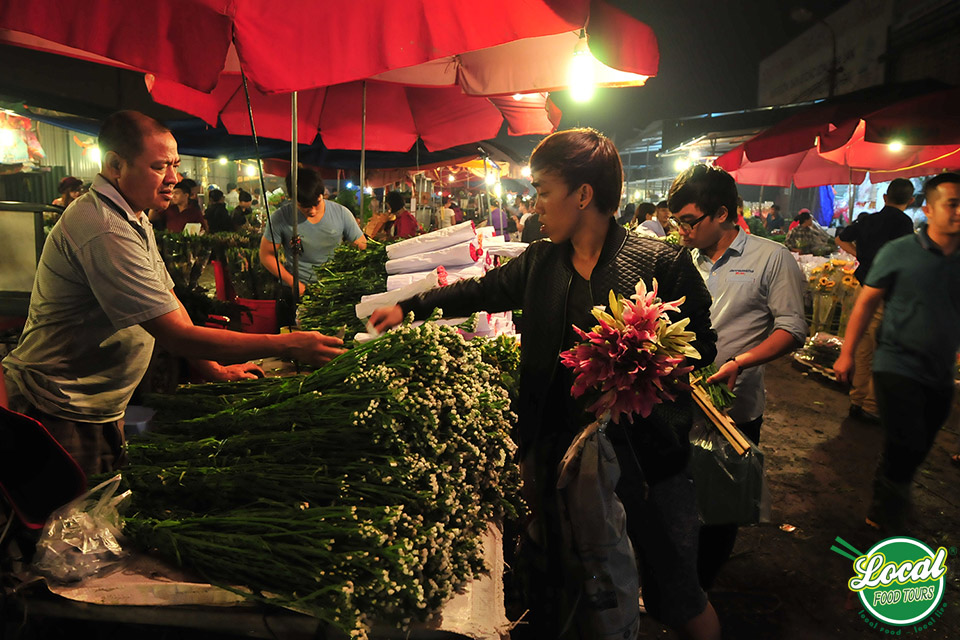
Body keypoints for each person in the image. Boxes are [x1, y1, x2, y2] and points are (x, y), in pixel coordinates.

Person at [371, 129, 721, 640]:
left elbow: (702, 345)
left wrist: (646, 361)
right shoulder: (541, 262)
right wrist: (409, 305)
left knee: (677, 596)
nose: (535, 206)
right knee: (572, 581)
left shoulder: (660, 262)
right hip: (555, 458)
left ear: (583, 194)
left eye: (542, 190)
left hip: (643, 463)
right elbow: (480, 290)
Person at [1, 111, 345, 478]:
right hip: (61, 410)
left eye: (175, 165)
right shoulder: (103, 228)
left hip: (95, 404)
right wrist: (287, 344)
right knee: (68, 523)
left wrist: (215, 370)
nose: (174, 179)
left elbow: (171, 303)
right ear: (115, 165)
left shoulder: (133, 216)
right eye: (159, 166)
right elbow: (175, 334)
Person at [667, 164, 807, 589]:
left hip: (732, 410)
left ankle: (701, 588)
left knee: (719, 507)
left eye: (690, 221)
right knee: (672, 496)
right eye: (677, 222)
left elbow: (792, 329)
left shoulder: (771, 258)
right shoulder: (679, 258)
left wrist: (741, 362)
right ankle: (671, 576)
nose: (682, 231)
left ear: (723, 214)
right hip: (676, 403)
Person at [834, 173, 960, 533]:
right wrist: (846, 353)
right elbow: (865, 303)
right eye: (952, 203)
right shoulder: (901, 250)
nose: (959, 211)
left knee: (922, 440)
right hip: (896, 364)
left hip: (939, 370)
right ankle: (888, 507)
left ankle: (893, 478)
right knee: (906, 437)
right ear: (929, 208)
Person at [835, 178, 916, 423]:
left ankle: (857, 400)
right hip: (887, 293)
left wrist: (862, 255)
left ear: (884, 197)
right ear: (910, 201)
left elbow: (840, 239)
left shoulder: (867, 219)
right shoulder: (905, 223)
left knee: (862, 345)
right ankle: (871, 405)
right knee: (882, 348)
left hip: (862, 288)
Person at [260, 167, 367, 295]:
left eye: (316, 203)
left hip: (333, 288)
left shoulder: (341, 213)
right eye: (304, 207)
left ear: (323, 195)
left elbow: (362, 245)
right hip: (296, 290)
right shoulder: (281, 217)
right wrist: (293, 282)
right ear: (292, 199)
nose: (312, 211)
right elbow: (266, 255)